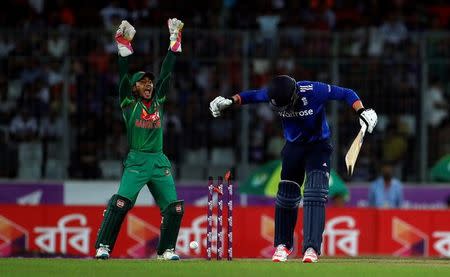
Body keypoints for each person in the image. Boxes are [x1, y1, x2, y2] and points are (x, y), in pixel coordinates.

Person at [209, 75, 377, 263]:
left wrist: (362, 111)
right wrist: (229, 101)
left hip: (318, 146)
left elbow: (346, 93)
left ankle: (311, 248)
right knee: (286, 195)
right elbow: (252, 96)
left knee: (314, 193)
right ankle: (283, 246)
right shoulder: (276, 93)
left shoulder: (314, 90)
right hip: (293, 147)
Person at [94, 18, 185, 261]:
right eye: (143, 82)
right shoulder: (128, 104)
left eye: (150, 82)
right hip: (136, 162)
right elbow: (123, 78)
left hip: (158, 161)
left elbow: (166, 73)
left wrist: (174, 42)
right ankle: (103, 246)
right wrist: (123, 48)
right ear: (135, 88)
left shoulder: (159, 101)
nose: (149, 84)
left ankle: (166, 250)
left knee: (174, 208)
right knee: (121, 203)